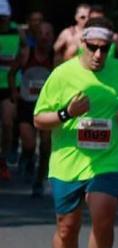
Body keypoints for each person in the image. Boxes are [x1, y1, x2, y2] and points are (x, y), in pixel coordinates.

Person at [33, 16, 118, 248]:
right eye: (93, 47)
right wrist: (67, 112)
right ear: (83, 43)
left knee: (104, 217)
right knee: (67, 228)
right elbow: (40, 119)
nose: (99, 55)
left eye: (105, 49)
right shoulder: (62, 75)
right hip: (67, 163)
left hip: (106, 160)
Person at [8, 20, 52, 196]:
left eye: (48, 34)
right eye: (41, 34)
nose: (44, 37)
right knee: (29, 143)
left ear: (52, 37)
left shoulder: (56, 58)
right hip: (27, 104)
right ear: (35, 36)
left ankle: (39, 181)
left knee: (46, 147)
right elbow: (12, 74)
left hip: (47, 107)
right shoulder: (26, 54)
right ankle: (27, 157)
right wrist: (14, 93)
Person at [0, 2, 17, 182]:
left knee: (7, 123)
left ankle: (3, 159)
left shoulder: (17, 32)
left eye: (4, 15)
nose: (1, 19)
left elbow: (25, 54)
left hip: (10, 86)